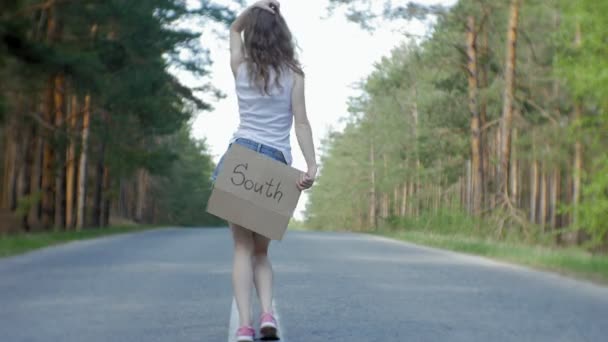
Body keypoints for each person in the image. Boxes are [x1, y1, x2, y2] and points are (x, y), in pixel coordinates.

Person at [210, 1, 317, 341]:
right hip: (275, 162)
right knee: (261, 252)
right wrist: (311, 164)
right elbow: (301, 123)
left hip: (240, 157)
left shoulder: (240, 67)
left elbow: (233, 29)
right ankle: (267, 315)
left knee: (241, 248)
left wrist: (255, 7)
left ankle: (244, 326)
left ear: (253, 34)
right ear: (282, 35)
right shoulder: (294, 75)